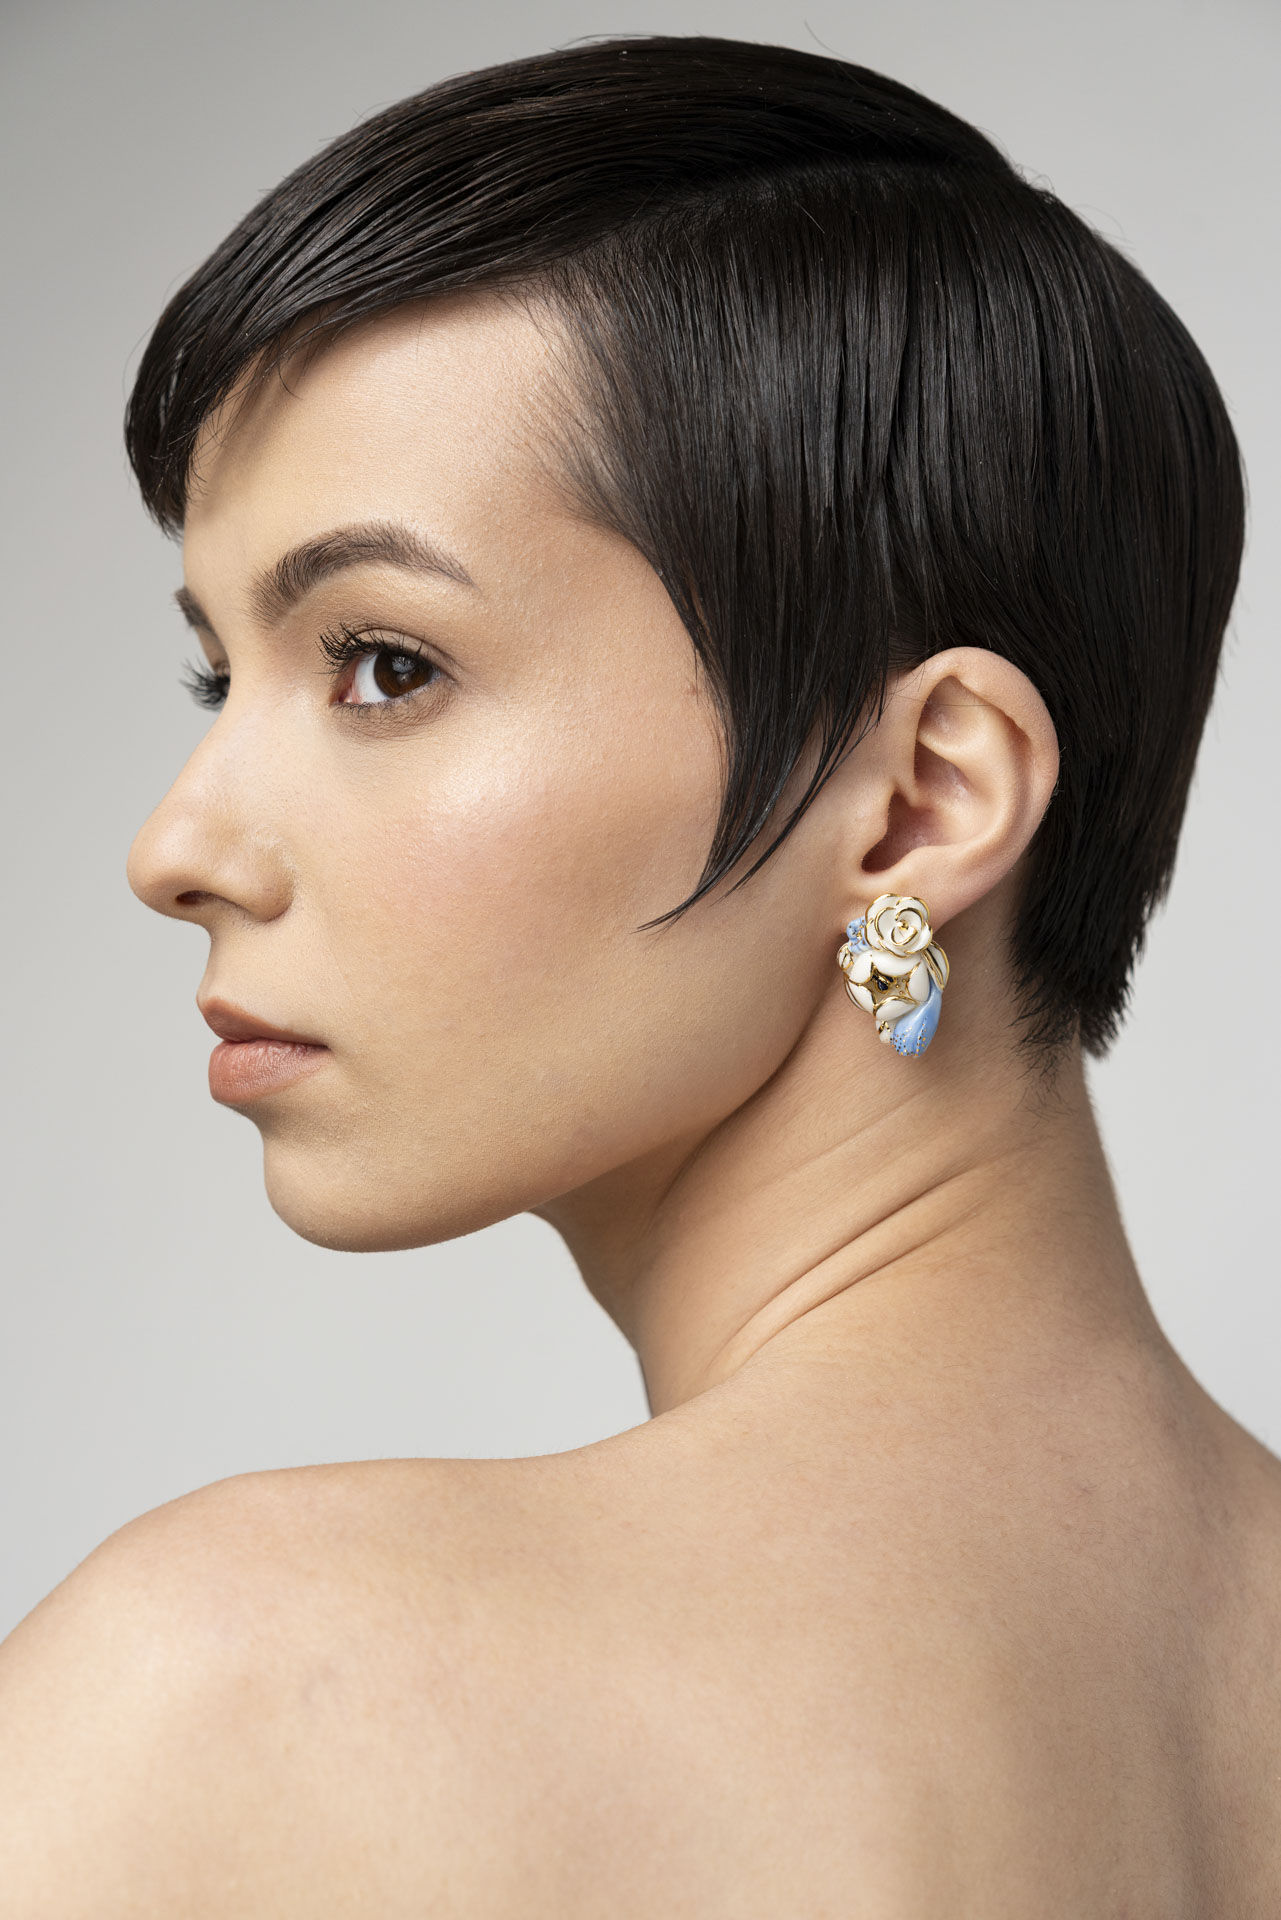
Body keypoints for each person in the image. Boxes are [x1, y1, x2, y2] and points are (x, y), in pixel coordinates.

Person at [1, 33, 1277, 1915]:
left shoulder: (248, 1699)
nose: (175, 849)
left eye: (381, 665)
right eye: (220, 672)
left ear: (921, 802)